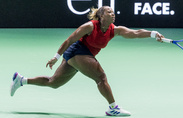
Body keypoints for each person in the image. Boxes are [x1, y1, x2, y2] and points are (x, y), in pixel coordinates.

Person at [10, 6, 164, 116]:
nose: (113, 14)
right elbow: (70, 39)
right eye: (109, 12)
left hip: (82, 56)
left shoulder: (114, 30)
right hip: (78, 51)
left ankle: (21, 80)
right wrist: (56, 57)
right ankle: (113, 107)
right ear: (101, 16)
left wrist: (153, 33)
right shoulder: (89, 27)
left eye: (113, 12)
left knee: (53, 83)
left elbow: (135, 33)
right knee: (101, 77)